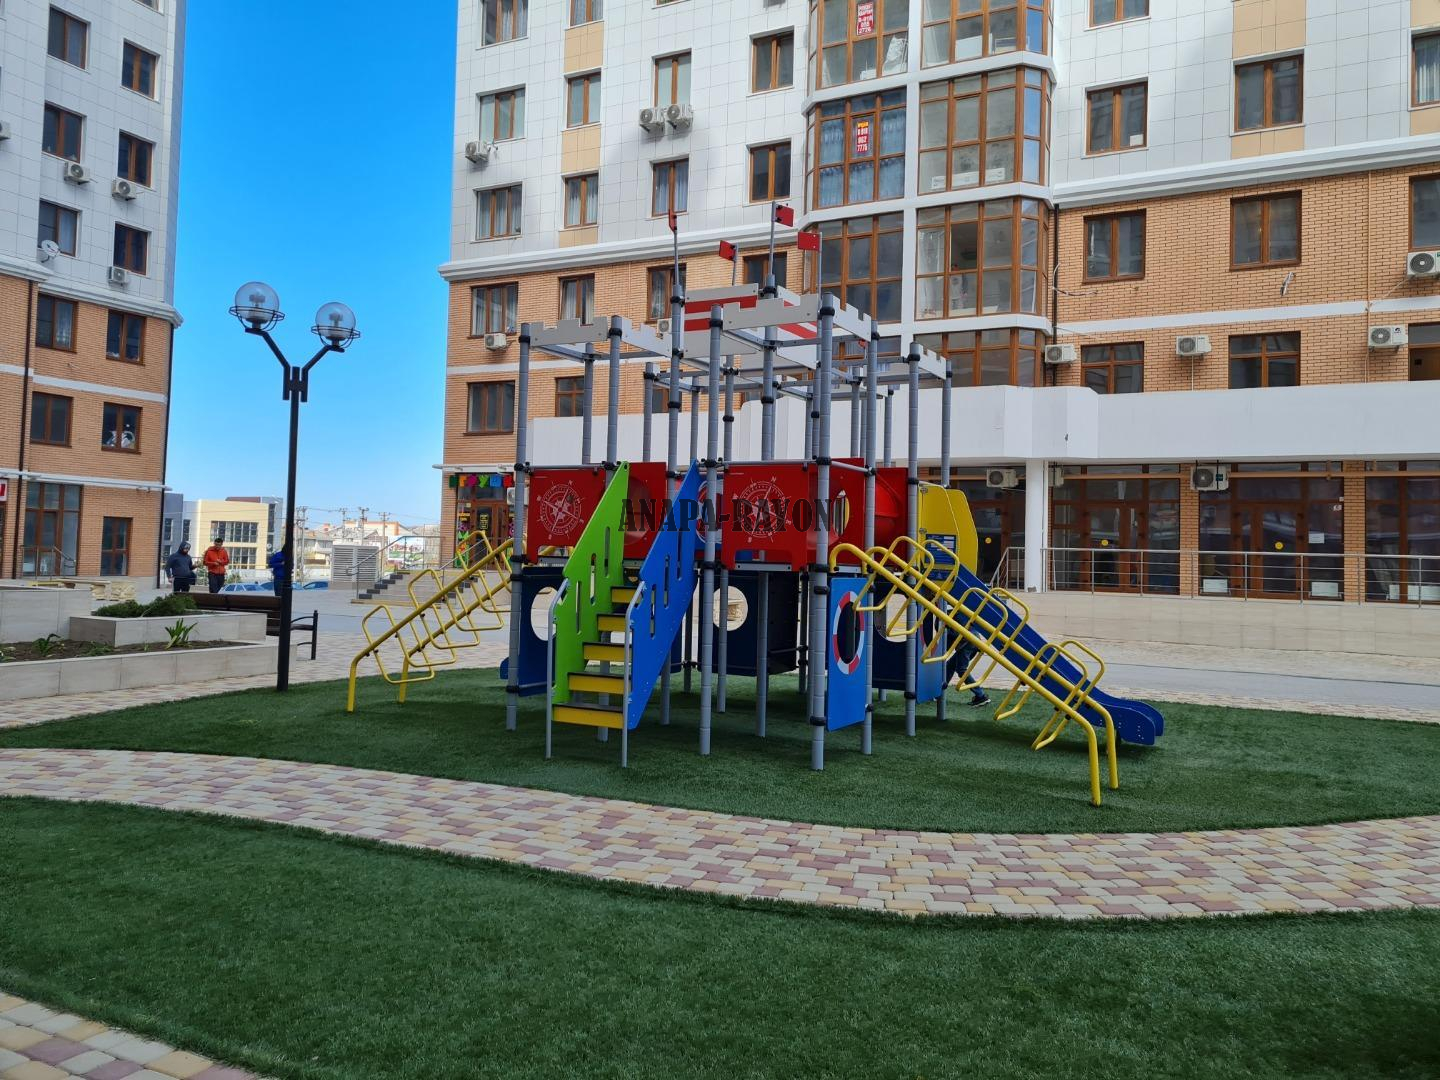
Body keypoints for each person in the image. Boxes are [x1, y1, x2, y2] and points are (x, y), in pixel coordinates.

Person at [952, 638, 991, 708]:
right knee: (950, 665)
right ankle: (939, 692)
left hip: (966, 641)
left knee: (961, 670)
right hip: (972, 639)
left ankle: (981, 696)